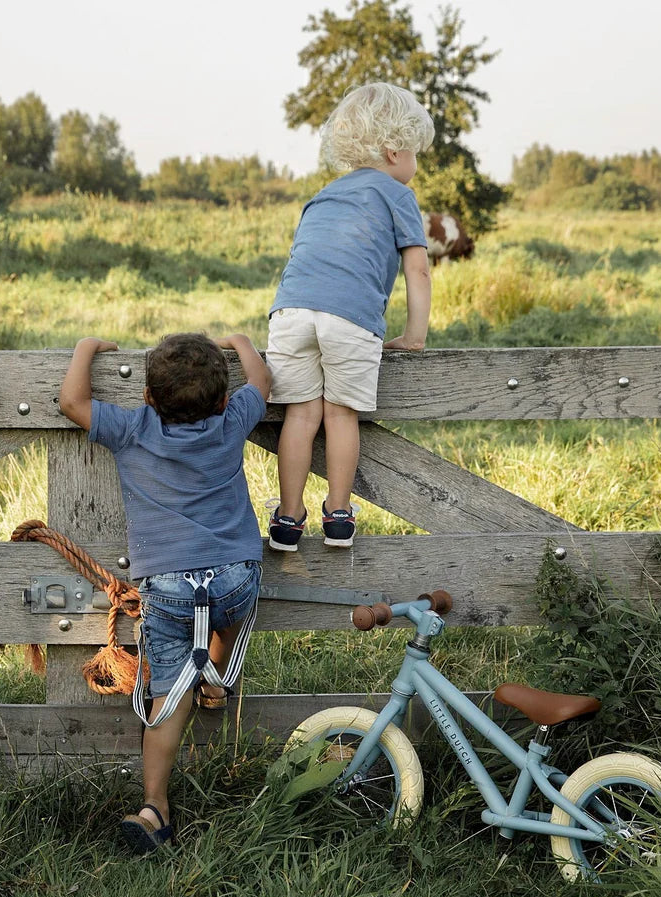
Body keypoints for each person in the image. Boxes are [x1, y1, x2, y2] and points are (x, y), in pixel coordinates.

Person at [58, 331, 270, 852]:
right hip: (235, 575)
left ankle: (155, 807)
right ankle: (217, 681)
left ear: (149, 397)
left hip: (170, 588)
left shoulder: (132, 429)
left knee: (163, 699)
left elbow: (71, 402)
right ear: (223, 399)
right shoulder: (231, 422)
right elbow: (263, 383)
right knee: (228, 610)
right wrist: (242, 343)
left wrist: (86, 347)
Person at [265, 82, 434, 551]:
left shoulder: (324, 195)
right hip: (350, 317)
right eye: (416, 153)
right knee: (341, 415)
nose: (416, 165)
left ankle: (288, 516)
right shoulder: (397, 194)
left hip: (291, 311)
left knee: (300, 414)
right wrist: (413, 335)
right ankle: (338, 513)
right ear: (393, 150)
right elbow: (417, 268)